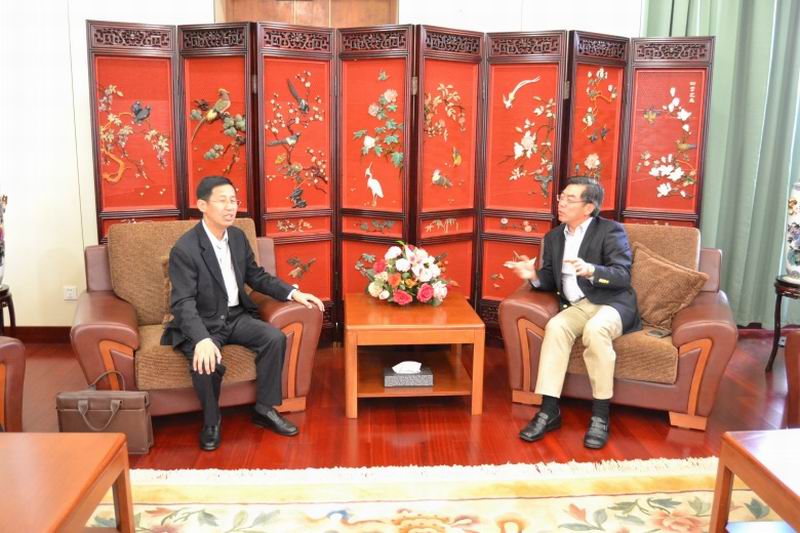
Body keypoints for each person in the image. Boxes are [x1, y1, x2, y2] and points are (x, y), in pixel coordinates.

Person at [161, 176, 325, 451]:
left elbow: (256, 276)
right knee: (207, 361)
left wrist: (293, 293)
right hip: (204, 321)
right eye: (222, 201)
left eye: (233, 201)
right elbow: (183, 303)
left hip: (236, 316)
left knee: (273, 338)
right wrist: (201, 339)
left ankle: (264, 409)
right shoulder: (185, 249)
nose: (230, 207)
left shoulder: (237, 237)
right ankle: (211, 421)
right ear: (202, 205)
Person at [504, 176, 640, 449]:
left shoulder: (610, 231)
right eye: (561, 197)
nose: (562, 203)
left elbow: (622, 275)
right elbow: (550, 279)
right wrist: (533, 276)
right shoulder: (554, 236)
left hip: (612, 303)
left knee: (596, 330)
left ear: (589, 207)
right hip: (577, 306)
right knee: (555, 327)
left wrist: (591, 270)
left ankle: (600, 416)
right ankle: (548, 410)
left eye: (570, 199)